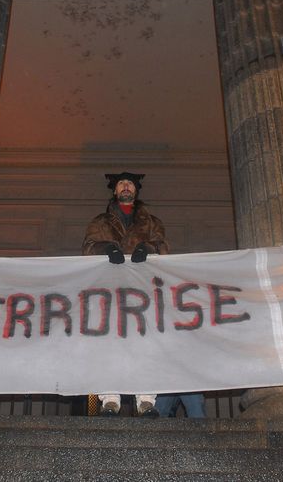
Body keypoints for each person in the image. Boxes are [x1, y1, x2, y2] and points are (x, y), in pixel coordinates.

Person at [82, 172, 168, 418]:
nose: (126, 186)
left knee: (145, 343)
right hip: (110, 290)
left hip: (143, 291)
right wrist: (106, 247)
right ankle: (110, 399)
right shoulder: (100, 221)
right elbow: (88, 247)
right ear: (114, 190)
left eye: (130, 183)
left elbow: (163, 246)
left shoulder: (152, 222)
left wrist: (147, 247)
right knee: (109, 344)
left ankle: (146, 400)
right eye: (122, 183)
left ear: (136, 190)